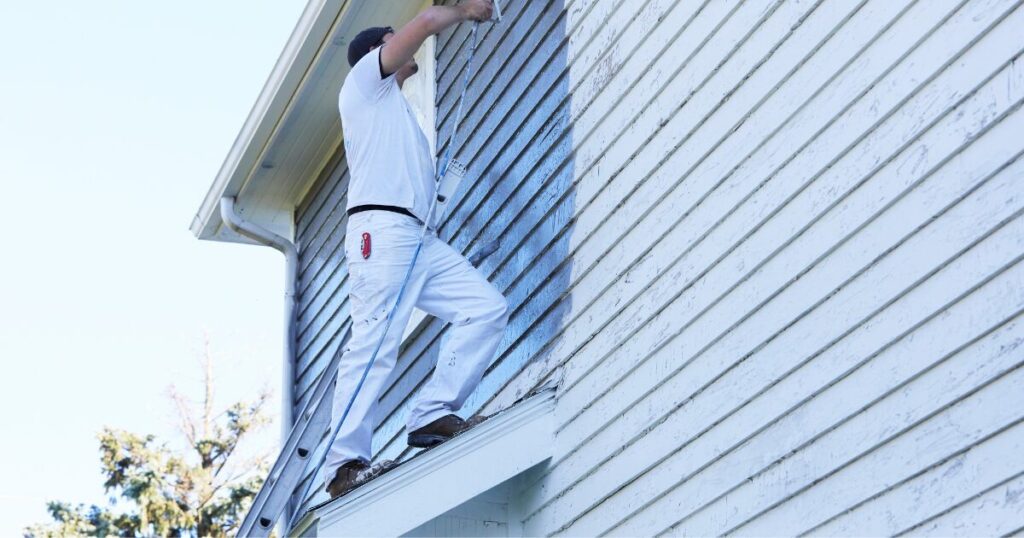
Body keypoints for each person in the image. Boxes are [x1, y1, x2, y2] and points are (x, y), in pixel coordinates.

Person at [323, 0, 506, 499]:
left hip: (420, 240)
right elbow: (424, 23)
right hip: (380, 232)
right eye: (391, 36)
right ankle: (343, 465)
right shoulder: (363, 86)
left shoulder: (398, 111)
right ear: (377, 52)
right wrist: (465, 10)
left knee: (485, 308)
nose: (399, 39)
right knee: (375, 343)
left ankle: (432, 413)